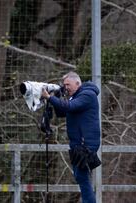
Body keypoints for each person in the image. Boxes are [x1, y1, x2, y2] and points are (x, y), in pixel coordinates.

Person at [42, 71, 100, 203]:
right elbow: (63, 112)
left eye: (68, 84)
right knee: (80, 176)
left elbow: (69, 106)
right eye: (64, 85)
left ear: (77, 83)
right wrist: (56, 95)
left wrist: (49, 98)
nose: (66, 87)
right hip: (77, 144)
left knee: (82, 177)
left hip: (86, 144)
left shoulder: (87, 95)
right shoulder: (76, 96)